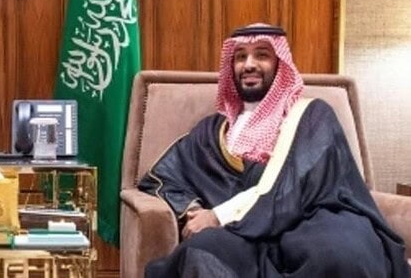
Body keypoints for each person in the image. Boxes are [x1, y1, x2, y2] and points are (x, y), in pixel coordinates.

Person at [140, 23, 409, 277]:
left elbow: (296, 183)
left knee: (341, 252)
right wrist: (193, 210)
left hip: (313, 218)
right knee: (201, 251)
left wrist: (217, 215)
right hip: (243, 234)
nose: (249, 64)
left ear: (280, 64)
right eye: (240, 56)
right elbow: (163, 177)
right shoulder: (211, 133)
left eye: (262, 55)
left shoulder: (313, 115)